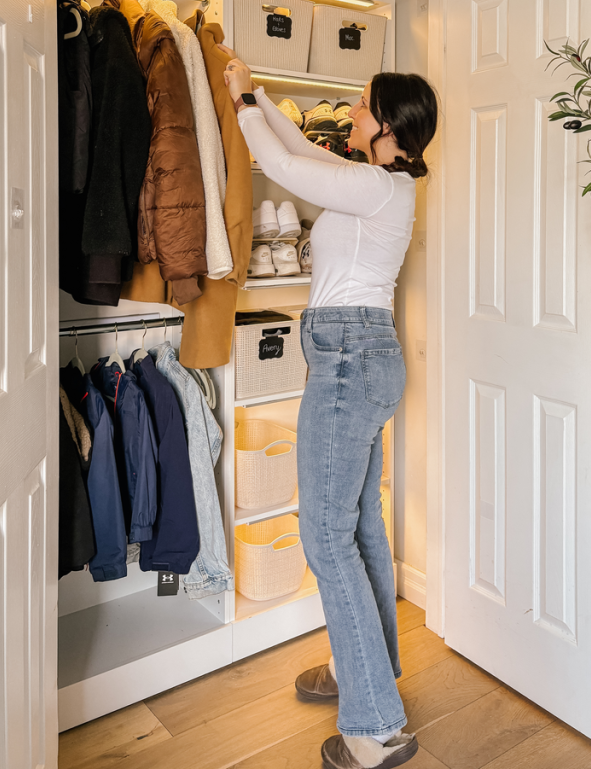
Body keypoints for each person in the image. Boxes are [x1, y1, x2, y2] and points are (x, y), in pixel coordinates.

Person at [221, 45, 438, 769]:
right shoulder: (376, 180)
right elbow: (292, 147)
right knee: (358, 526)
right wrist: (253, 100)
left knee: (323, 533)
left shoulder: (379, 189)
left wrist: (246, 104)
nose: (348, 109)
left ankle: (373, 726)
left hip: (349, 361)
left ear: (386, 125)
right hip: (358, 356)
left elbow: (283, 169)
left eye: (361, 102)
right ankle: (363, 675)